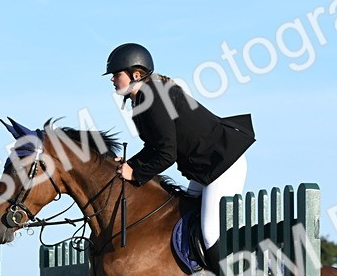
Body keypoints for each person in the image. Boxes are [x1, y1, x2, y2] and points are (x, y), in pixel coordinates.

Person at [105, 43, 255, 263]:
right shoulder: (141, 101)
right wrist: (130, 165)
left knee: (210, 233)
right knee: (184, 215)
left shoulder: (154, 98)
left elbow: (167, 154)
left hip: (223, 165)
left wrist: (136, 174)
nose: (112, 79)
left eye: (116, 74)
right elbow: (154, 147)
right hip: (205, 169)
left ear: (136, 74)